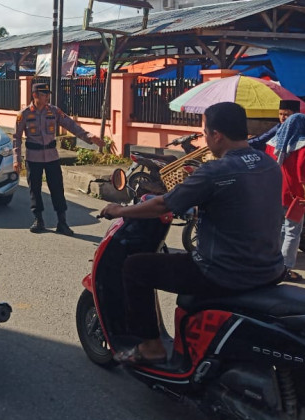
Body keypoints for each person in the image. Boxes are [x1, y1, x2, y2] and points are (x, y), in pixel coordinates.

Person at [101, 102, 284, 365]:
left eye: (205, 133)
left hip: (222, 271)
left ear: (217, 135)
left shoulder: (215, 171)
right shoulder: (269, 164)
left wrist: (119, 210)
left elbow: (163, 205)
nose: (205, 139)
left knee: (134, 267)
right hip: (269, 268)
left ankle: (151, 347)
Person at [14, 82, 104, 235]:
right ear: (35, 95)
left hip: (52, 157)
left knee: (57, 189)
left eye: (48, 94)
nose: (47, 97)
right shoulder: (24, 114)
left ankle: (62, 222)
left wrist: (89, 137)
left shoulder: (54, 111)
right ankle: (38, 220)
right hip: (33, 158)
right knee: (35, 189)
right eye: (44, 94)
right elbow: (16, 138)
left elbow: (71, 125)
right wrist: (17, 159)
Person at [265, 113, 305, 283]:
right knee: (292, 231)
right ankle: (285, 268)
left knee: (279, 229)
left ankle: (273, 264)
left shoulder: (273, 142)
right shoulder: (304, 144)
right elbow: (302, 171)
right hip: (294, 194)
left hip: (274, 192)